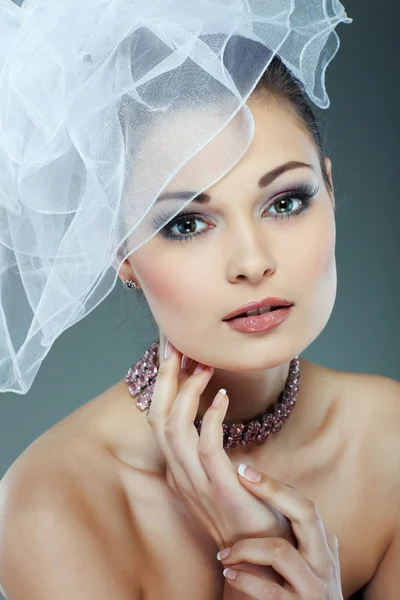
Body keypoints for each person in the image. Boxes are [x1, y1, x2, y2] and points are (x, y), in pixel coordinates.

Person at [1, 2, 398, 599]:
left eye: (286, 201)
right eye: (187, 224)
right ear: (123, 253)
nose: (251, 261)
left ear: (330, 190)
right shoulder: (53, 502)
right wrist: (254, 567)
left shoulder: (390, 442)